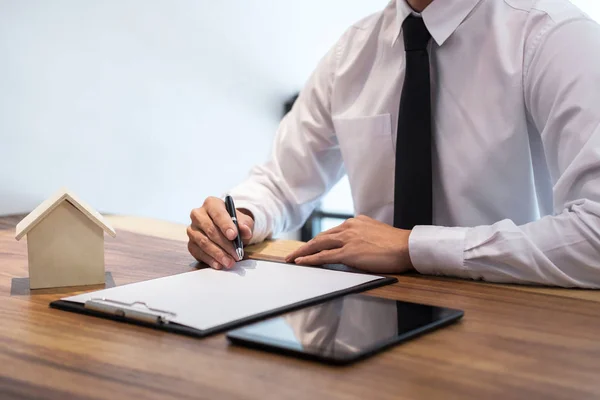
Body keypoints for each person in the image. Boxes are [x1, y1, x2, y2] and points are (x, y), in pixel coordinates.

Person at [188, 0, 600, 288]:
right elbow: (282, 182)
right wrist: (239, 217)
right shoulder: (352, 51)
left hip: (519, 322)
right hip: (375, 317)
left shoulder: (554, 36)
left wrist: (413, 246)